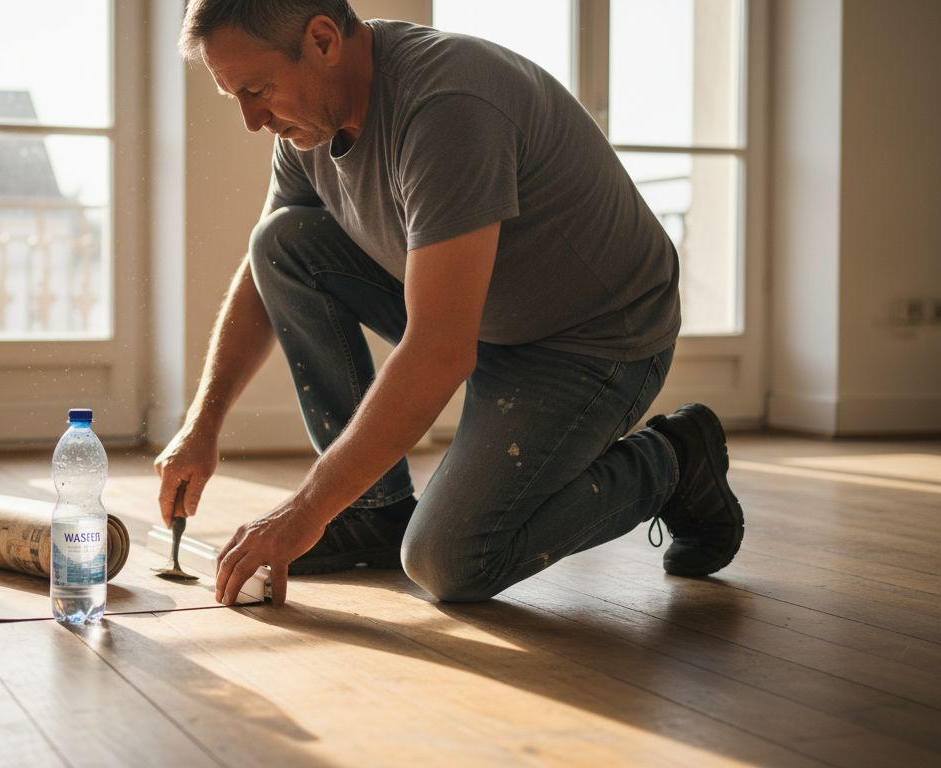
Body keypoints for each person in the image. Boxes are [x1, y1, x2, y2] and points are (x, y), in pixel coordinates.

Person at [154, 0, 745, 607]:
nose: (252, 120)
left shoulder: (447, 108)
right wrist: (201, 427)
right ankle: (374, 511)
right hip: (488, 316)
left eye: (257, 90)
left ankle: (675, 461)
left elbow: (439, 350)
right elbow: (264, 272)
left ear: (324, 40)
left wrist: (304, 511)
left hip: (593, 339)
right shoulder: (310, 122)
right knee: (282, 242)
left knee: (451, 559)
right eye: (238, 98)